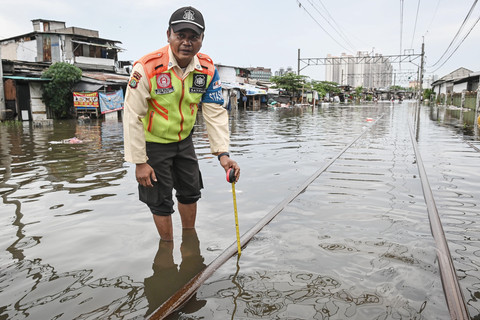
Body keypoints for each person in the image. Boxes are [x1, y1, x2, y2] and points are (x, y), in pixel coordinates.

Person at [123, 6, 240, 241]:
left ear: (201, 40)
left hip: (184, 141)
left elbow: (215, 113)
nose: (187, 42)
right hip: (153, 144)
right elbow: (132, 116)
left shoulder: (207, 69)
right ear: (169, 35)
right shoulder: (146, 68)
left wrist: (223, 155)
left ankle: (190, 243)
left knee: (190, 192)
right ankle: (167, 248)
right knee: (160, 200)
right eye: (180, 36)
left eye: (193, 37)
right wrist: (139, 162)